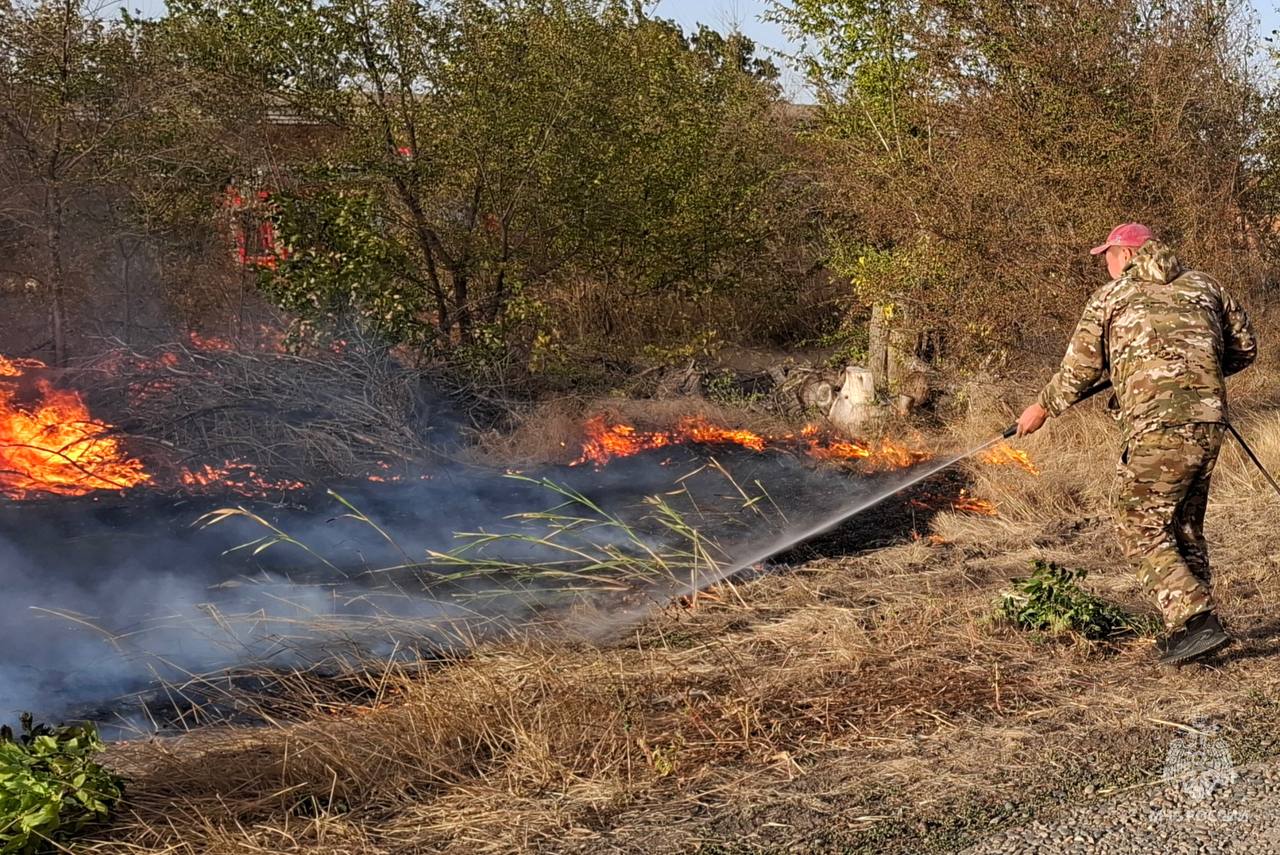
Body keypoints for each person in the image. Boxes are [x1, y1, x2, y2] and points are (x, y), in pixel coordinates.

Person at [1015, 223, 1257, 665]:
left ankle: (1197, 618)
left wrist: (1041, 408)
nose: (1105, 265)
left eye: (1107, 256)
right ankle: (1192, 633)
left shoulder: (1111, 297)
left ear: (1126, 255)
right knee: (1181, 522)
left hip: (1156, 425)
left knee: (1135, 519)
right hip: (1208, 420)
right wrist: (1196, 373)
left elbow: (1079, 370)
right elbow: (1244, 349)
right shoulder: (1206, 286)